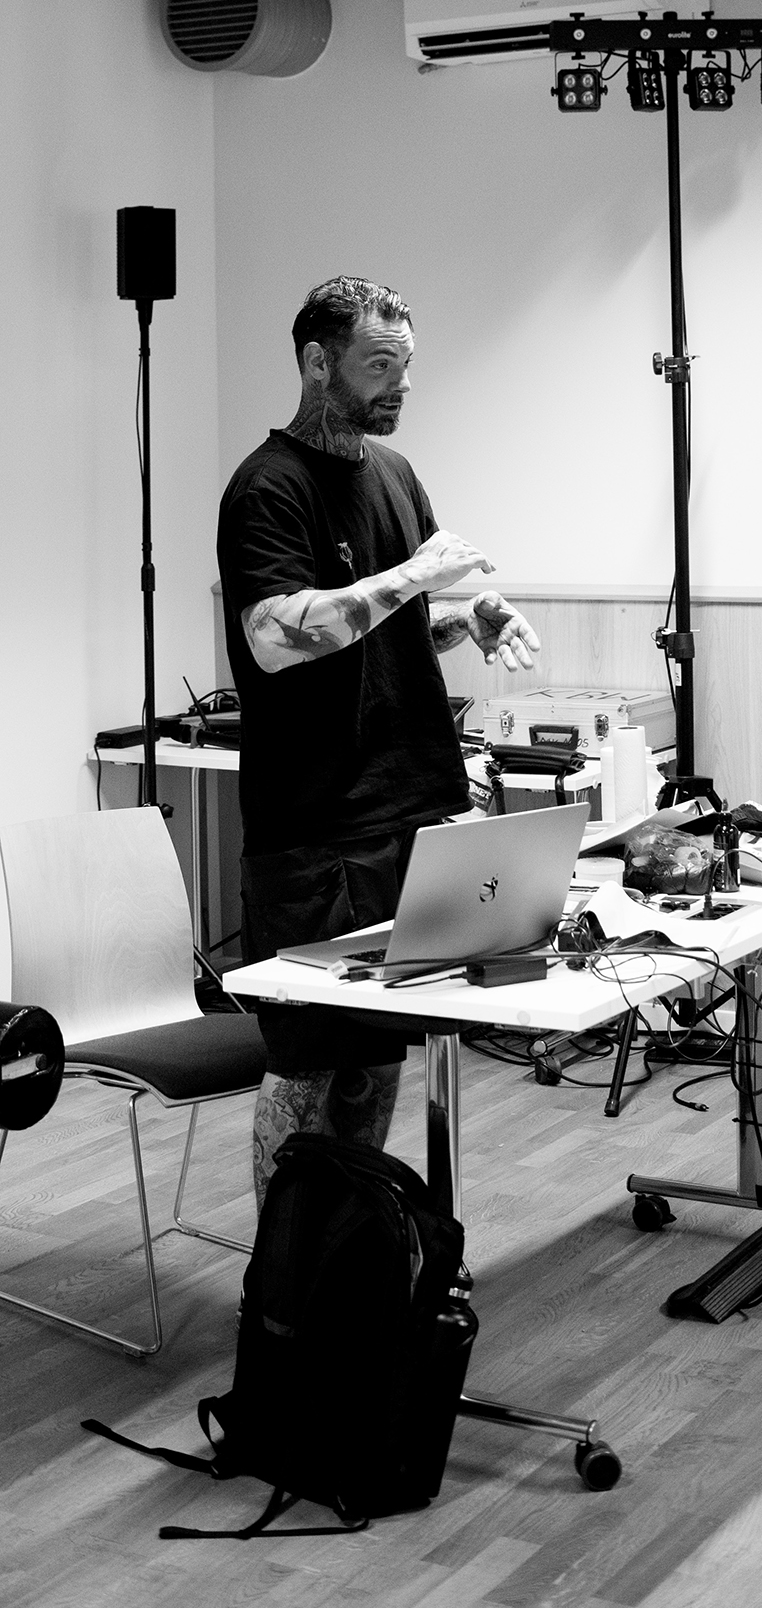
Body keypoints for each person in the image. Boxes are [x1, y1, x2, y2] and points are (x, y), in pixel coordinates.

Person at [217, 276, 540, 1209]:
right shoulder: (267, 487)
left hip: (409, 813)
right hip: (316, 831)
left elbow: (386, 627)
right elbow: (277, 638)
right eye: (380, 365)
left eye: (407, 365)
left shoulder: (395, 474)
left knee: (380, 1051)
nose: (400, 384)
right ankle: (286, 1262)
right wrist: (412, 578)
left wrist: (466, 616)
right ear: (318, 363)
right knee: (310, 1059)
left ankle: (354, 1238)